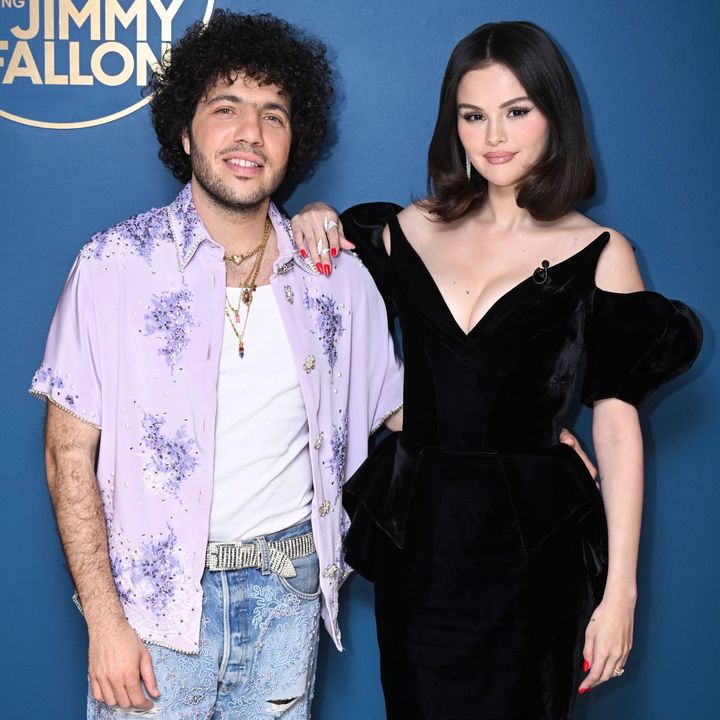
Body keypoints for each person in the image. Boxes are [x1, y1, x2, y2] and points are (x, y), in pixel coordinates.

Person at [292, 20, 703, 720]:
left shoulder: (601, 251)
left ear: (554, 115)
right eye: (473, 115)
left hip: (532, 552)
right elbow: (338, 341)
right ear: (452, 124)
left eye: (516, 111)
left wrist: (620, 594)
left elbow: (617, 427)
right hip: (422, 545)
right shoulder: (405, 230)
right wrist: (316, 213)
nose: (493, 137)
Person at [29, 11, 404, 719]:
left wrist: (531, 431)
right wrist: (104, 622)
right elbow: (66, 455)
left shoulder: (336, 280)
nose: (250, 133)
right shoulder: (113, 266)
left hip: (287, 599)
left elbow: (404, 409)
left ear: (294, 142)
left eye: (273, 115)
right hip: (151, 611)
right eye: (226, 108)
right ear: (185, 131)